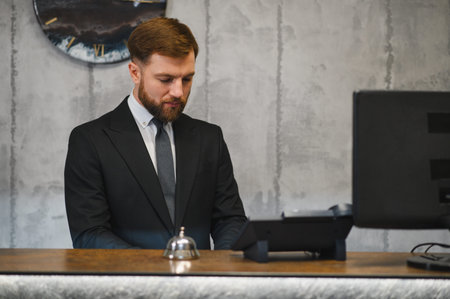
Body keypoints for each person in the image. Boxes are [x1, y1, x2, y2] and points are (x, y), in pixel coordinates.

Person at [64, 17, 247, 249]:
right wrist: (153, 273)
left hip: (201, 282)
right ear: (135, 72)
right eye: (166, 79)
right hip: (129, 283)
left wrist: (217, 273)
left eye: (187, 79)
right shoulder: (90, 141)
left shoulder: (210, 139)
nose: (179, 92)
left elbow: (230, 220)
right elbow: (89, 234)